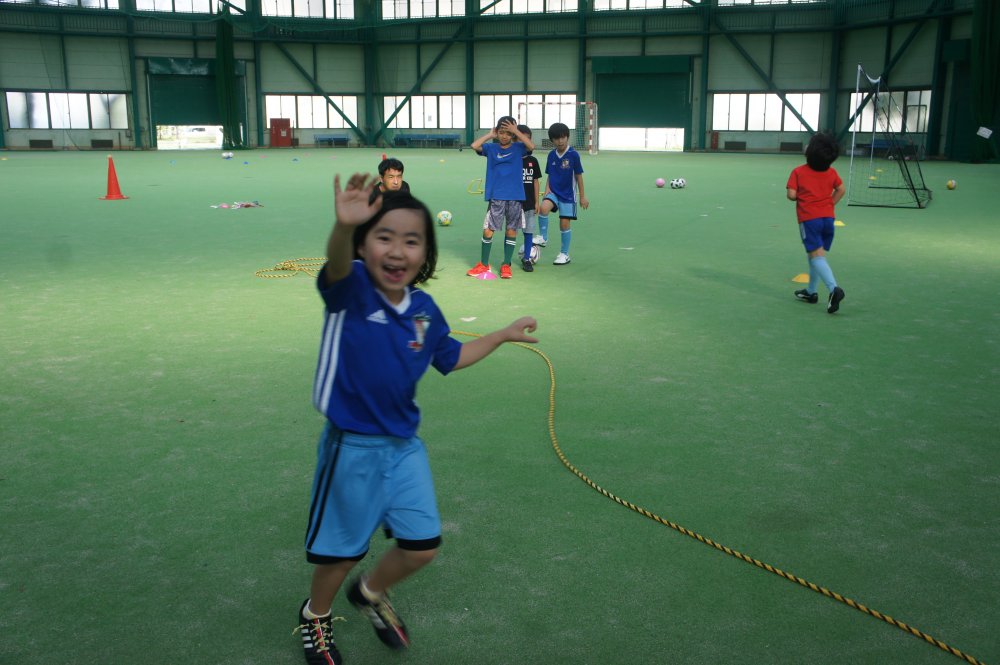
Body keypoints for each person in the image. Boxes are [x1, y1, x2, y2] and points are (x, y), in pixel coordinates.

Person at [295, 173, 539, 665]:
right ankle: (315, 617)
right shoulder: (352, 289)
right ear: (365, 245)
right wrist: (343, 229)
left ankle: (369, 592)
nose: (397, 250)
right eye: (383, 237)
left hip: (403, 447)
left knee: (422, 546)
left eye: (412, 241)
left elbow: (449, 356)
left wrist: (500, 335)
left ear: (425, 254)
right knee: (340, 554)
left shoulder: (424, 309)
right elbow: (338, 266)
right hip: (351, 448)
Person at [466, 116, 535, 279]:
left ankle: (506, 265)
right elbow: (474, 145)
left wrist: (516, 130)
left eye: (508, 133)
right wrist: (490, 135)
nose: (505, 136)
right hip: (496, 196)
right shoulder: (491, 149)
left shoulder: (519, 148)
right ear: (497, 132)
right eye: (501, 132)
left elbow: (531, 146)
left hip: (515, 197)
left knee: (511, 230)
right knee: (488, 230)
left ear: (513, 135)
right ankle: (484, 264)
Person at [787, 131, 847, 313]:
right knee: (814, 254)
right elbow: (841, 190)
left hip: (809, 220)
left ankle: (833, 289)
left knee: (817, 256)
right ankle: (811, 292)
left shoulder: (798, 172)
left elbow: (791, 195)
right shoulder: (832, 172)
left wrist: (799, 194)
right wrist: (829, 204)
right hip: (828, 219)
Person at [536, 122, 589, 265]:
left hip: (568, 196)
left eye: (563, 137)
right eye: (556, 138)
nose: (560, 141)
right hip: (554, 191)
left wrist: (582, 196)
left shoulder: (573, 155)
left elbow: (579, 176)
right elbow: (550, 174)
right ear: (552, 140)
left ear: (567, 137)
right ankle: (543, 237)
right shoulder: (551, 155)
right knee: (543, 208)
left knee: (564, 225)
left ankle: (564, 254)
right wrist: (547, 189)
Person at [517, 124, 542, 272]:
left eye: (528, 139)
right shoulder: (512, 159)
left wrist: (537, 201)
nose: (525, 142)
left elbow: (535, 181)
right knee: (511, 231)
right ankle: (507, 260)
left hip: (530, 203)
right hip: (514, 202)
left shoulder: (533, 161)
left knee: (528, 232)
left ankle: (527, 258)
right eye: (522, 139)